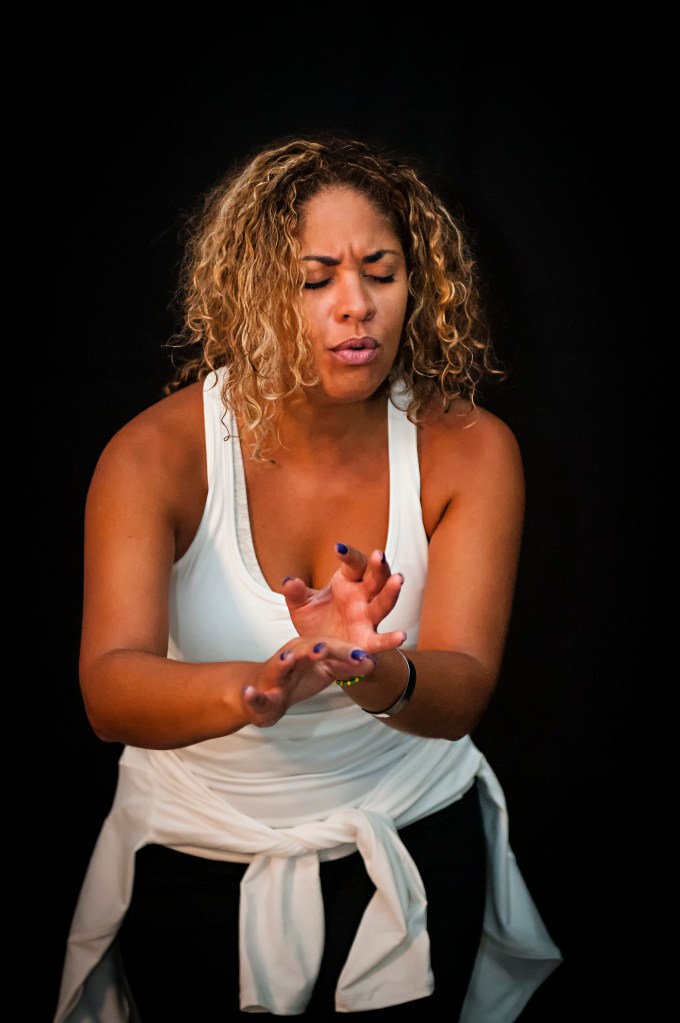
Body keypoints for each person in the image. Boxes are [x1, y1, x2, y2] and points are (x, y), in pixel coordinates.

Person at [54, 134, 562, 1023]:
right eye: (314, 278)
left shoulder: (469, 449)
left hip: (413, 844)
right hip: (192, 861)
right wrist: (256, 688)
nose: (356, 305)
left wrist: (374, 671)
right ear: (253, 293)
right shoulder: (155, 455)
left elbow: (465, 687)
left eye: (381, 271)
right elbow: (109, 688)